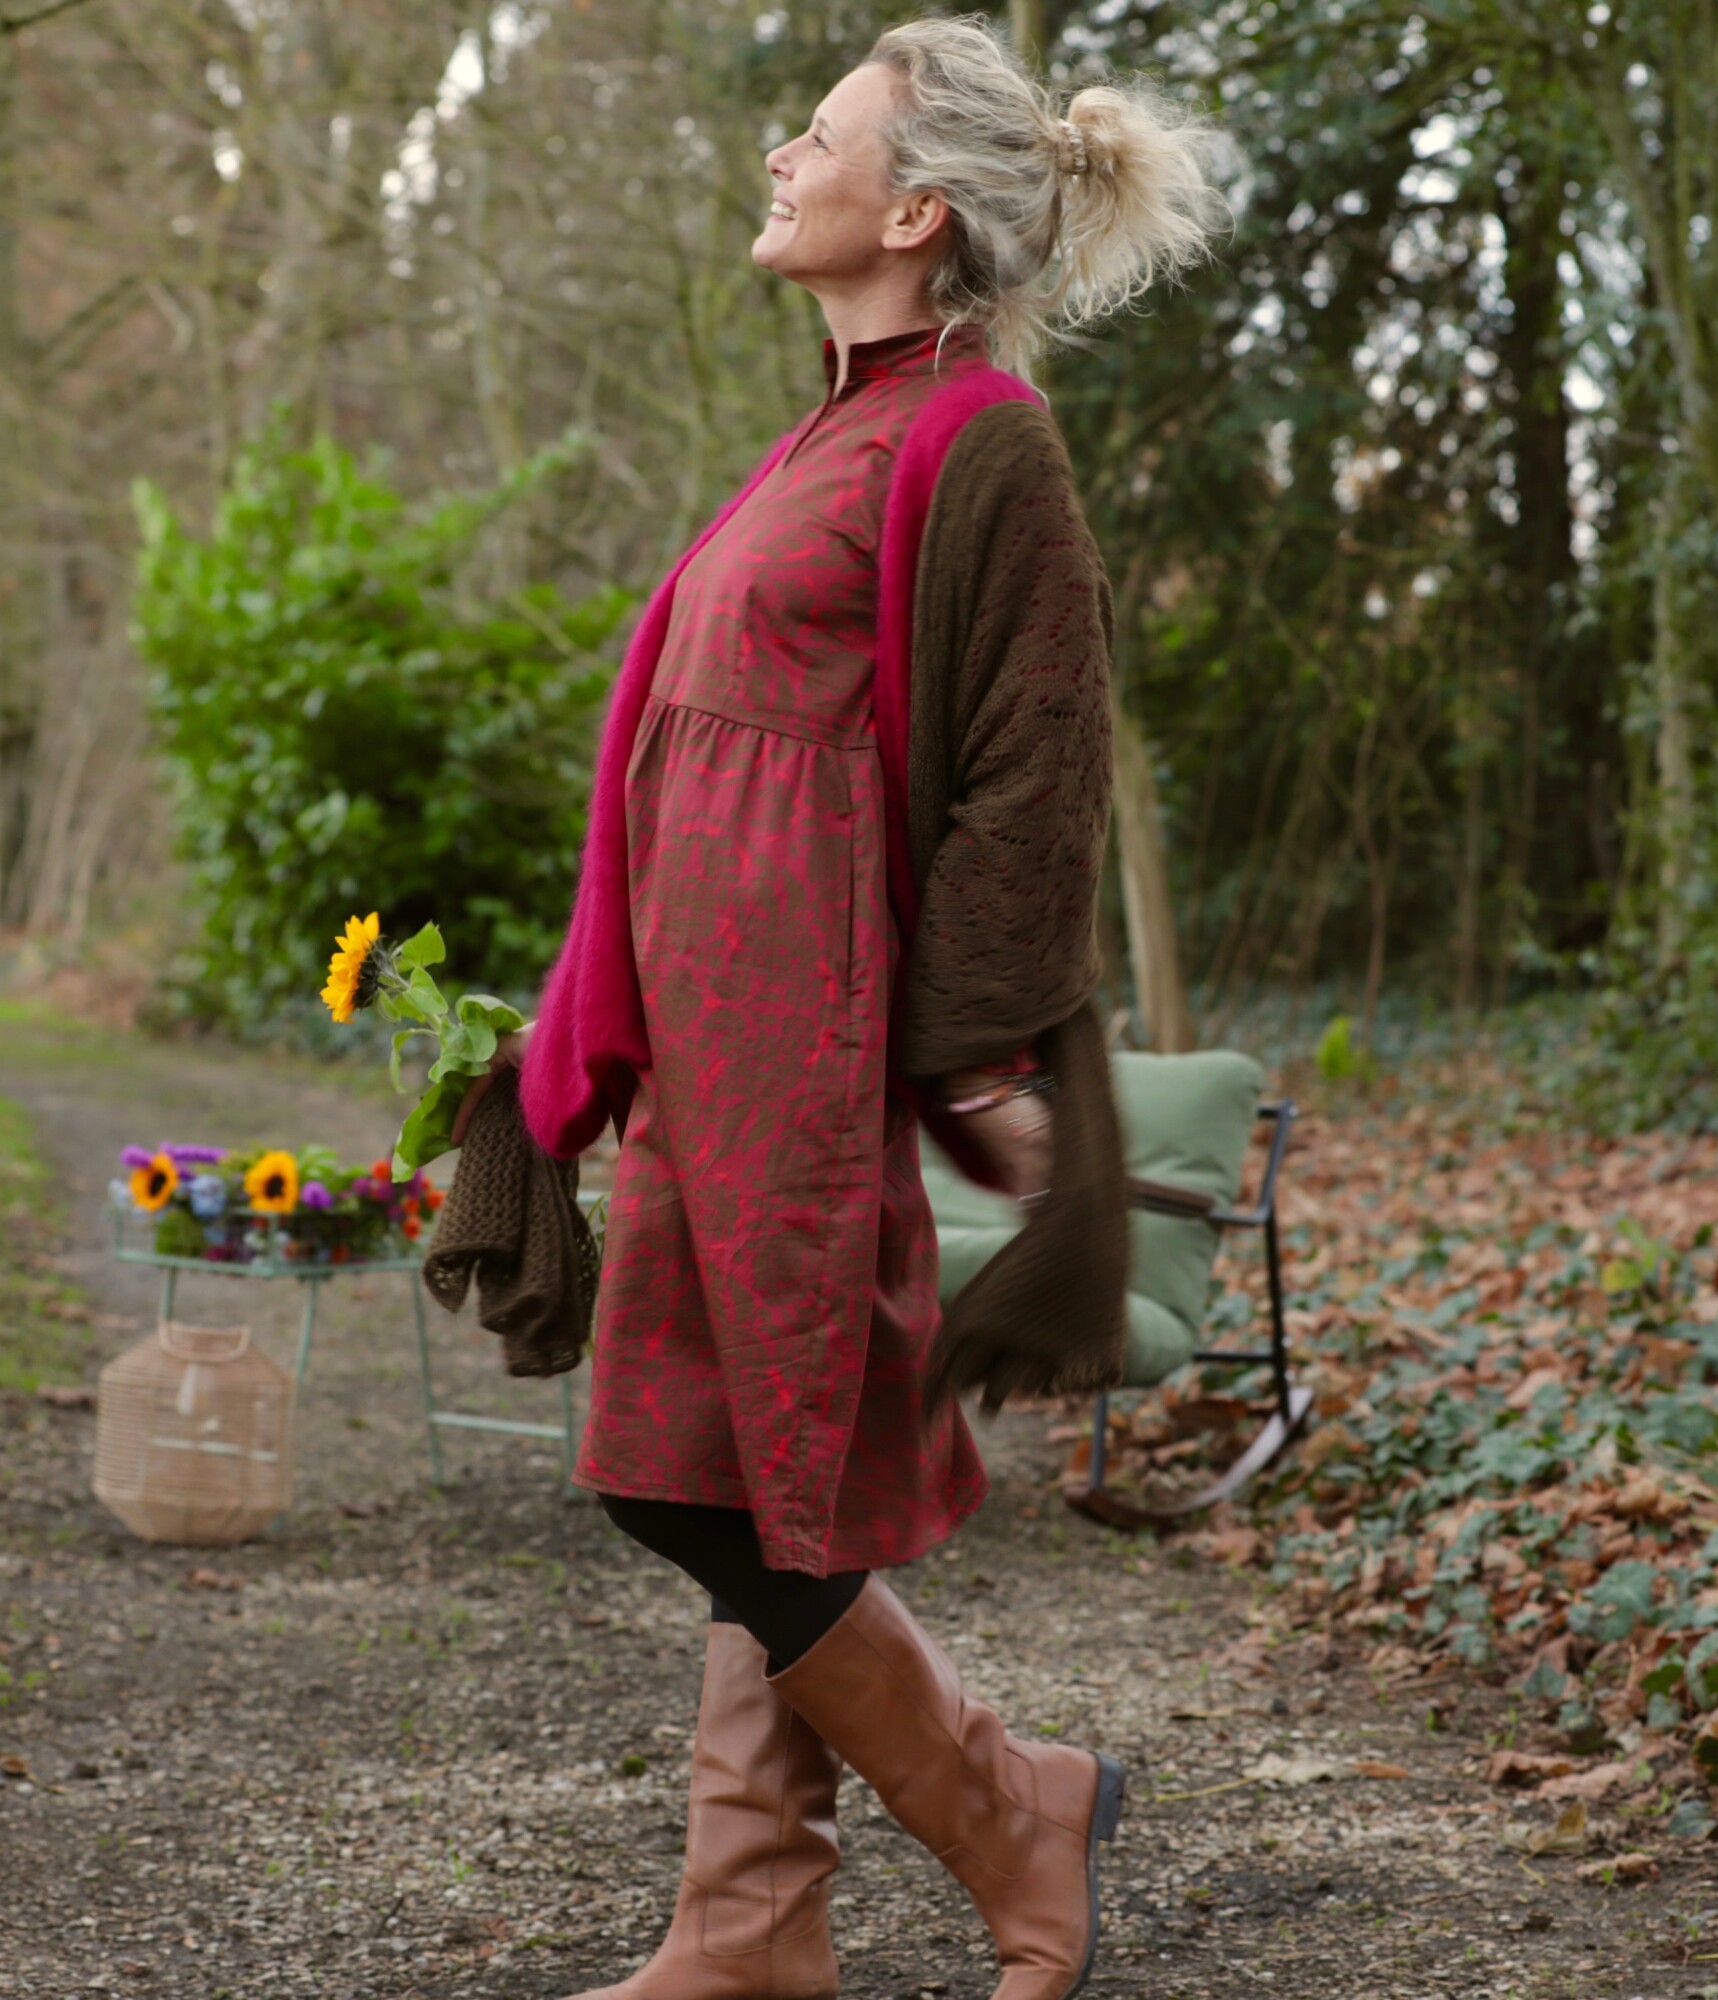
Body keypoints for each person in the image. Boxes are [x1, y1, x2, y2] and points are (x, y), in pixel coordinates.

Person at [454, 18, 1226, 1999]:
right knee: (723, 1466)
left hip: (802, 1055)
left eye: (817, 137)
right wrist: (586, 1023)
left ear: (914, 212)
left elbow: (1035, 769)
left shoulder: (982, 441)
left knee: (686, 1473)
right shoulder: (824, 436)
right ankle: (748, 1925)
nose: (778, 158)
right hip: (707, 1052)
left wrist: (964, 1049)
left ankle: (1009, 1804)